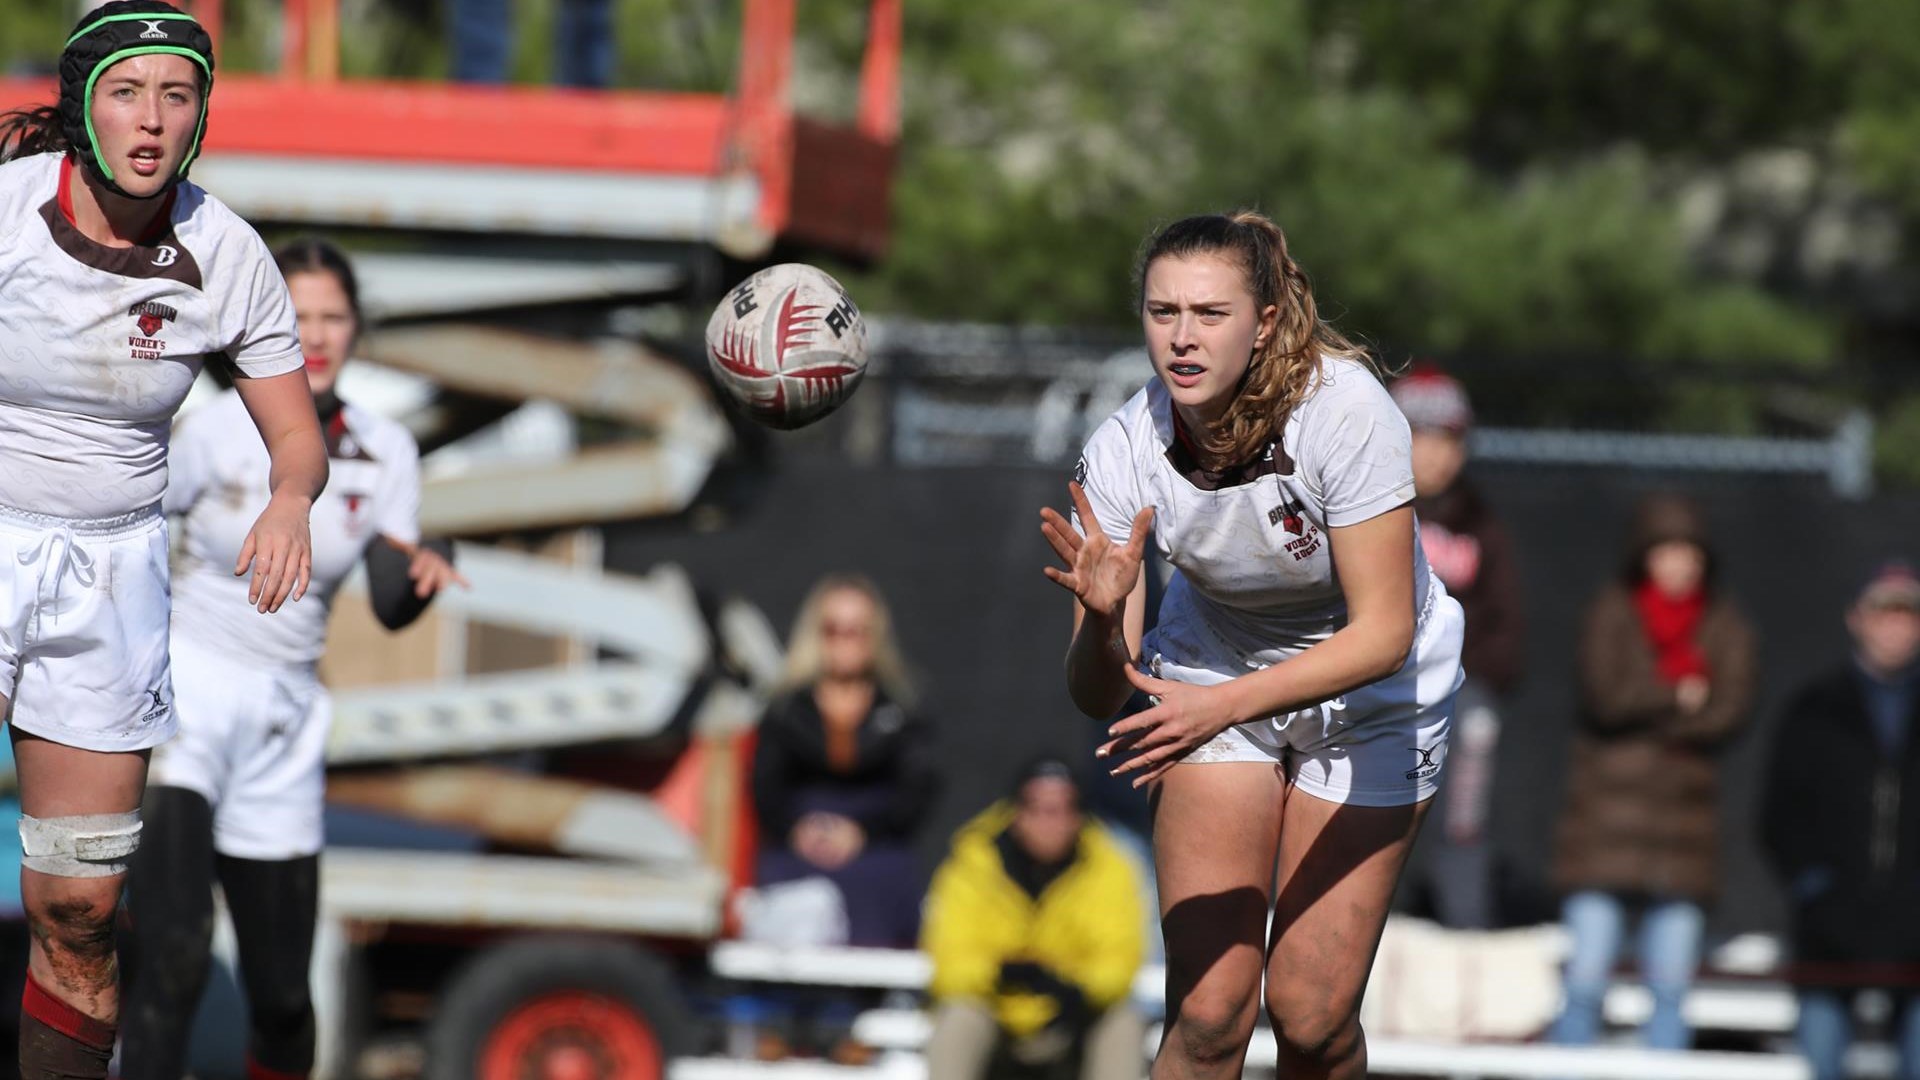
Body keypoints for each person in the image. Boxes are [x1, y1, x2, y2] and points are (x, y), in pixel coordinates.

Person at [1039, 210, 1466, 1079]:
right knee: (1207, 1014)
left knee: (1309, 1014)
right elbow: (1095, 692)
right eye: (1163, 314)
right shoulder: (1123, 450)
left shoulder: (1345, 412)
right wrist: (1099, 616)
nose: (1183, 339)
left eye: (1210, 313)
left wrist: (1218, 709)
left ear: (1264, 321)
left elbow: (1382, 635)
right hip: (1215, 669)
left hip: (1372, 693)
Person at [0, 4, 327, 1076]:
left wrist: (288, 501)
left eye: (177, 96)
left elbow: (298, 439)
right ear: (84, 106)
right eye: (129, 93)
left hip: (112, 578)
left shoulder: (226, 250)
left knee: (83, 912)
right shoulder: (6, 212)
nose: (153, 121)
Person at [121, 238, 465, 1080]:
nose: (314, 334)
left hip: (284, 719)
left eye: (333, 317)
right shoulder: (215, 430)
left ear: (357, 328)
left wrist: (421, 571)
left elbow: (389, 604)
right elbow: (120, 524)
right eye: (297, 315)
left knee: (282, 998)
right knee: (174, 957)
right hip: (189, 703)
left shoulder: (387, 450)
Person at [1547, 492, 1755, 1051]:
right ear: (1645, 557)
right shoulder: (1612, 611)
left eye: (1690, 554)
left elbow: (1730, 709)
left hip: (1682, 834)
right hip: (1604, 830)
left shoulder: (1724, 622)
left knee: (1670, 992)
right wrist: (1677, 696)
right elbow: (1605, 697)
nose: (1680, 566)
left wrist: (1658, 709)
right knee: (1585, 984)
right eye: (1667, 552)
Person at [1762, 561, 1920, 1080]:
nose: (1895, 628)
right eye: (1884, 613)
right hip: (1827, 929)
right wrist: (1813, 886)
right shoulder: (1814, 708)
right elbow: (1779, 811)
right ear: (1857, 618)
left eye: (1908, 615)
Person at [1388, 363, 1524, 929]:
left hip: (1458, 697)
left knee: (1463, 825)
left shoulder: (1481, 523)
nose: (1441, 455)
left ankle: (1462, 940)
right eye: (1425, 437)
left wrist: (1471, 677)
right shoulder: (1360, 512)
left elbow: (1504, 624)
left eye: (1452, 440)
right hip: (1371, 689)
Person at [921, 756, 1148, 1080]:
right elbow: (948, 961)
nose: (1047, 823)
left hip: (1072, 1020)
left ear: (1077, 817)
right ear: (1016, 813)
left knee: (1122, 1023)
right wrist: (1000, 973)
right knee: (958, 1018)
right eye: (1036, 809)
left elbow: (1120, 959)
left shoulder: (1109, 867)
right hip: (996, 1016)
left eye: (1060, 810)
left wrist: (1073, 989)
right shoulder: (971, 864)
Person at [750, 573, 936, 950]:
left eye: (857, 630)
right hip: (798, 846)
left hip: (874, 844)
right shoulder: (786, 710)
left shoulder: (900, 710)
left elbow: (914, 791)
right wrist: (797, 830)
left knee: (882, 880)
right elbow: (765, 787)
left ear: (875, 636)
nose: (845, 641)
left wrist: (862, 832)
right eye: (833, 629)